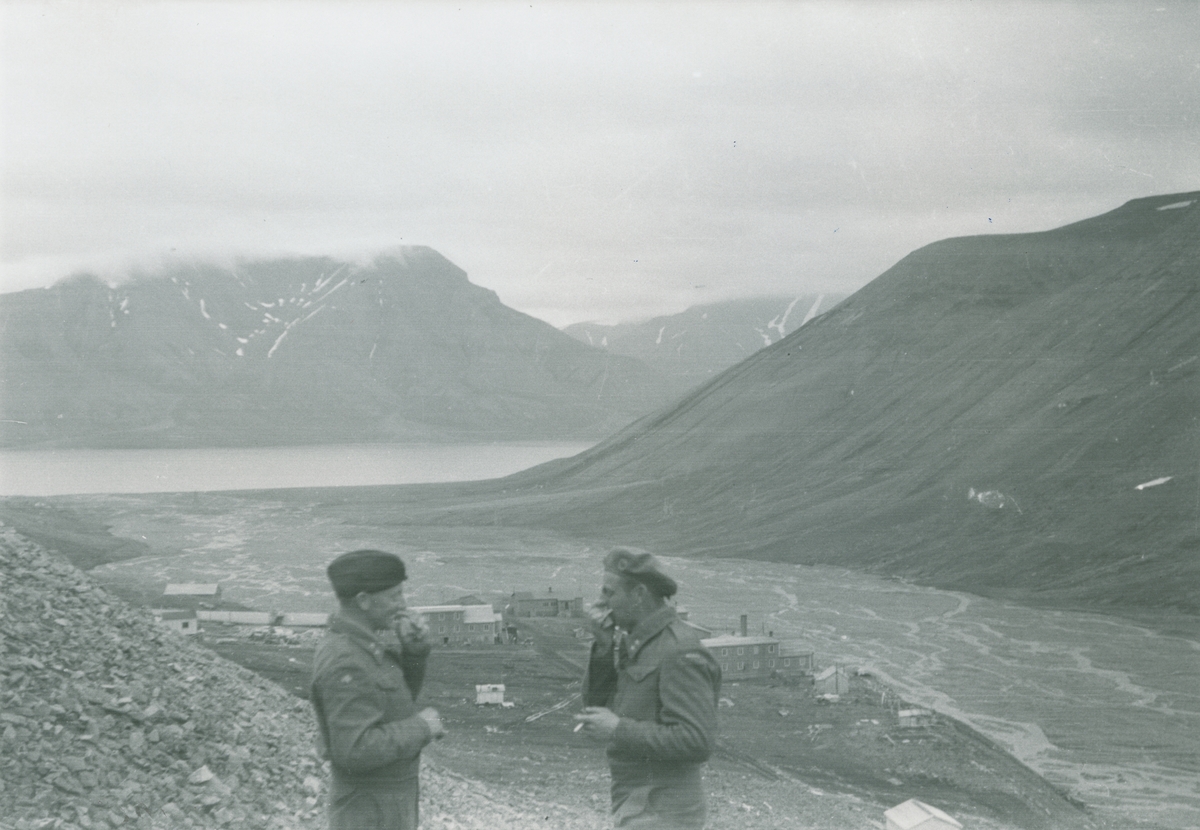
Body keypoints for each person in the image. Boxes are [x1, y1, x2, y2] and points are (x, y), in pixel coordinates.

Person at [574, 548, 721, 829]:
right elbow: (598, 707)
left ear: (639, 594)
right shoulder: (640, 643)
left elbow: (697, 740)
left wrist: (618, 729)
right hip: (640, 803)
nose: (602, 603)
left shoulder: (678, 650)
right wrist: (604, 646)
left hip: (664, 810)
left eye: (609, 593)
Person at [310, 549, 446, 830]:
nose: (403, 604)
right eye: (395, 596)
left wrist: (414, 653)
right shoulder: (345, 660)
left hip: (383, 805)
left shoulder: (361, 646)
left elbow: (392, 706)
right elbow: (355, 750)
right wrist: (423, 727)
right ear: (364, 601)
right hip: (367, 812)